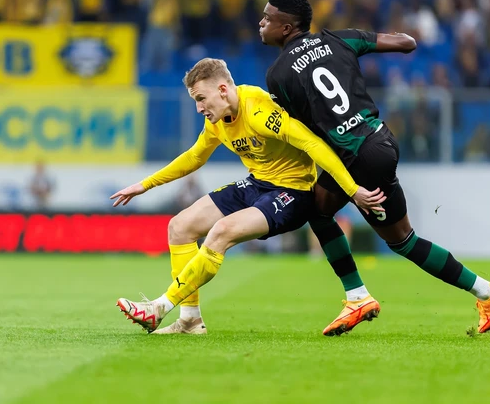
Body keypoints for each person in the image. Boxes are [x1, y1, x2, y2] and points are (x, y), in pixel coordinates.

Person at [259, 0, 490, 334]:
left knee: (320, 212)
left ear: (287, 28)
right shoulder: (339, 39)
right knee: (401, 239)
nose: (261, 23)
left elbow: (303, 134)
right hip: (380, 141)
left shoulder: (278, 75)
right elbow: (406, 43)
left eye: (268, 18)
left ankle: (358, 296)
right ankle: (488, 291)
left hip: (354, 154)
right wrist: (381, 41)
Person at [112, 58, 385, 334]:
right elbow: (195, 156)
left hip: (292, 192)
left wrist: (352, 190)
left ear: (222, 90)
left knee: (221, 231)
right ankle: (190, 321)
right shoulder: (217, 121)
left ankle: (159, 307)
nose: (199, 108)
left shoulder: (258, 110)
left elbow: (311, 143)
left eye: (201, 99)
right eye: (196, 101)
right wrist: (145, 185)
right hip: (256, 184)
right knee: (179, 227)